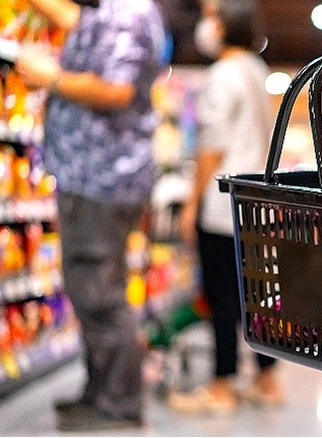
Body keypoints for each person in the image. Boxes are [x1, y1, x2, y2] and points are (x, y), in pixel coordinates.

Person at [13, 0, 165, 432]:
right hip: (93, 176)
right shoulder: (107, 12)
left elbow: (117, 89)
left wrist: (51, 78)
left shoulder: (128, 13)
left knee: (100, 293)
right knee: (90, 291)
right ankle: (100, 392)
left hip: (103, 178)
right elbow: (69, 17)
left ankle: (118, 402)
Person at [172, 0, 282, 414]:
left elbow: (211, 148)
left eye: (214, 16)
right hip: (256, 205)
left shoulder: (222, 74)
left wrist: (191, 204)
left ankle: (220, 384)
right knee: (255, 293)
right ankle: (267, 378)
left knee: (221, 298)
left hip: (222, 204)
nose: (207, 24)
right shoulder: (258, 70)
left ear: (228, 23)